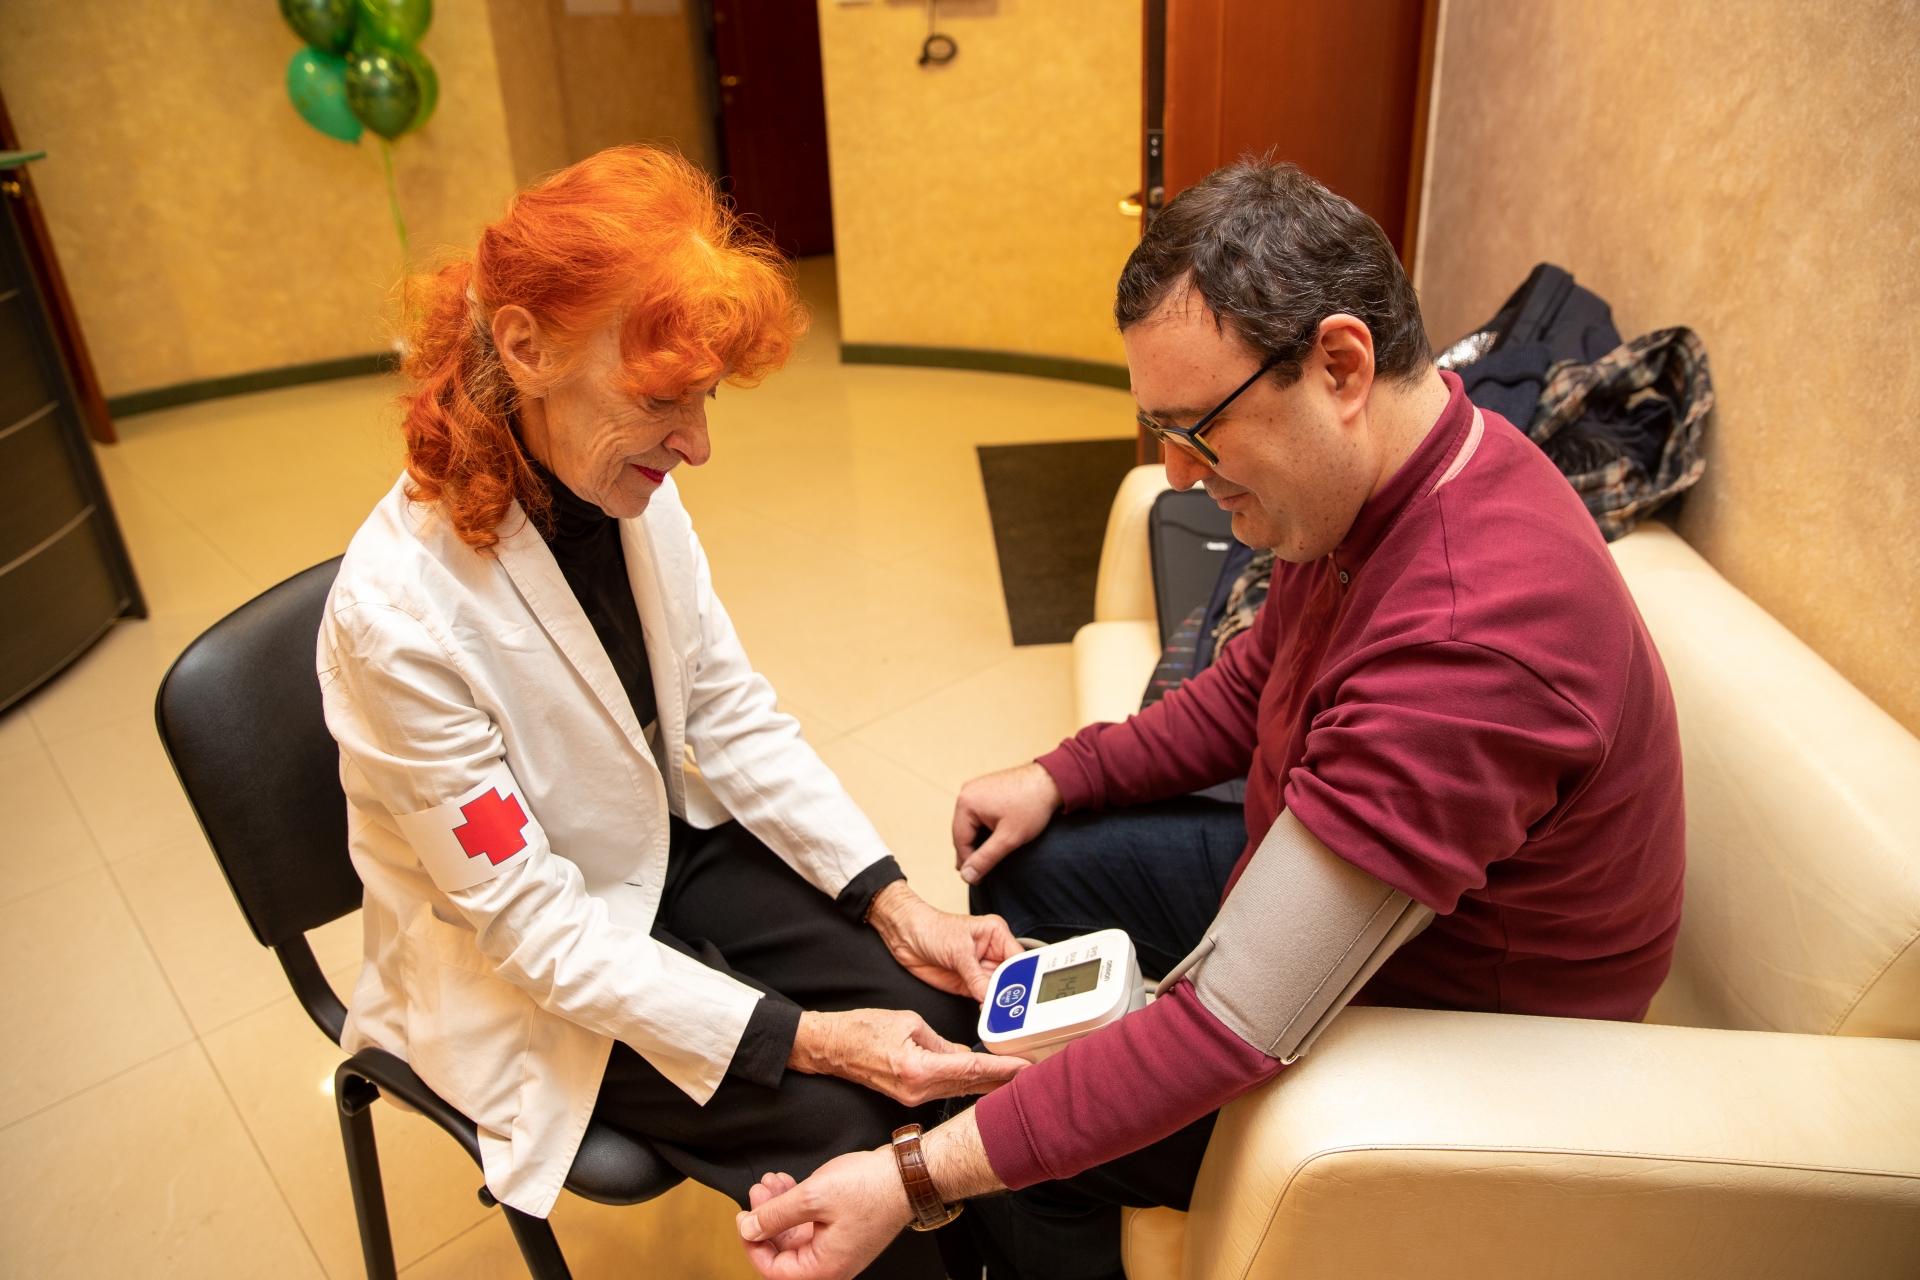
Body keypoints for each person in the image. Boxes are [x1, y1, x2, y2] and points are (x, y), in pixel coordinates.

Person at [733, 160, 1686, 1280]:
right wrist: (1062, 773)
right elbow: (1252, 686)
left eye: (1200, 426)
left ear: (1341, 366)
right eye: (1160, 425)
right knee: (1035, 866)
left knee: (1018, 1134)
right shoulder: (1377, 488)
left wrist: (915, 1174)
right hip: (1379, 917)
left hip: (1456, 1037)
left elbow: (1231, 1018)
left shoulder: (1468, 640)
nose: (1179, 473)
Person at [317, 147, 1024, 1280]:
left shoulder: (624, 485)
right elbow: (537, 930)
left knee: (937, 1019)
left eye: (703, 397)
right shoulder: (397, 616)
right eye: (660, 400)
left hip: (649, 848)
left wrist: (897, 907)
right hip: (522, 961)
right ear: (525, 348)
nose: (696, 444)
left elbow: (728, 713)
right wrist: (818, 1040)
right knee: (849, 1132)